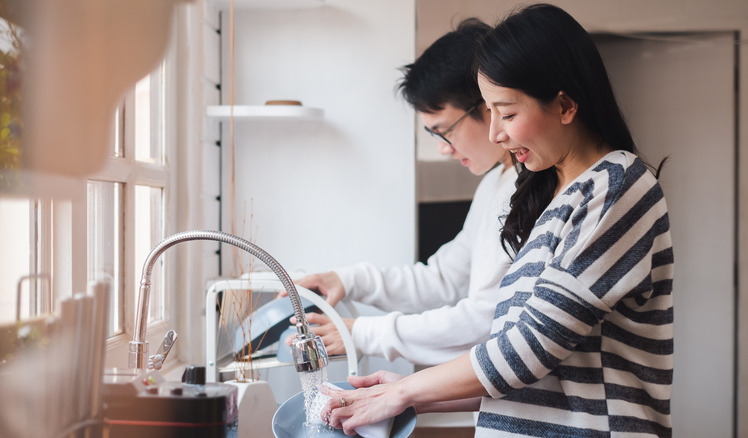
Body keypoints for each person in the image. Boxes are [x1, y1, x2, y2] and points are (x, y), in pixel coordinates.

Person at [322, 4, 674, 437]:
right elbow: (538, 376)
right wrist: (412, 391)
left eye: (506, 114)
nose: (496, 134)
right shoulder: (548, 196)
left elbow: (530, 349)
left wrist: (408, 389)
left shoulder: (615, 185)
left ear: (564, 105)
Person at [287, 18, 517, 366]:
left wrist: (363, 333)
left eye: (445, 131)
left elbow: (484, 320)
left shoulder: (533, 192)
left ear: (488, 105)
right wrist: (348, 280)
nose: (444, 148)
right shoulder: (495, 184)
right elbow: (442, 280)